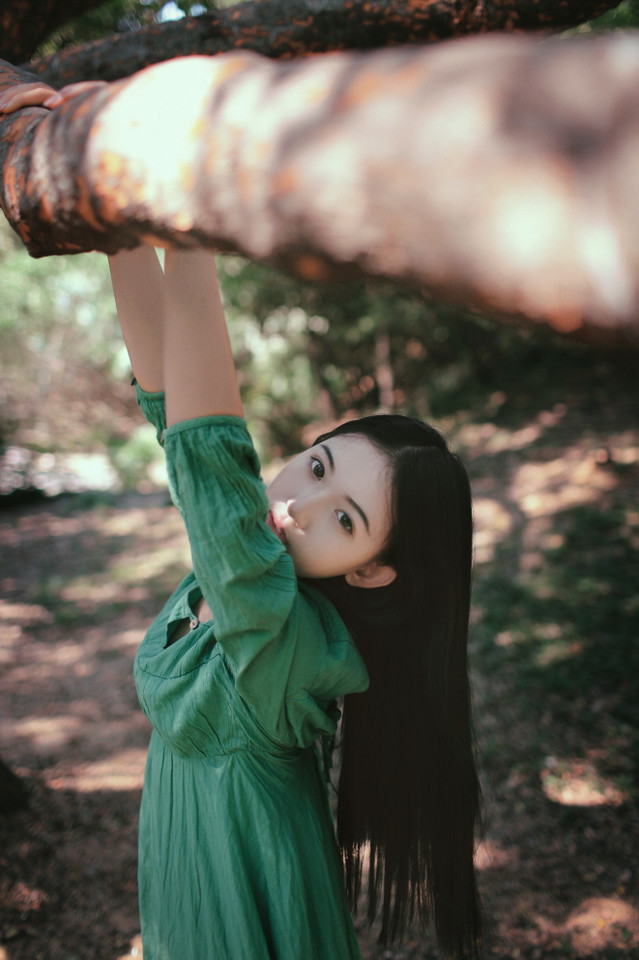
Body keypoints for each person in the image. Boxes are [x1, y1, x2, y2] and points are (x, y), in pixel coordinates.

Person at [0, 81, 483, 959]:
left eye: (342, 519)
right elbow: (169, 403)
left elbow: (207, 454)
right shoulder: (258, 567)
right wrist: (103, 191)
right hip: (191, 882)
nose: (296, 501)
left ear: (374, 569)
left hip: (244, 913)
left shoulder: (279, 624)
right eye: (317, 462)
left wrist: (189, 218)